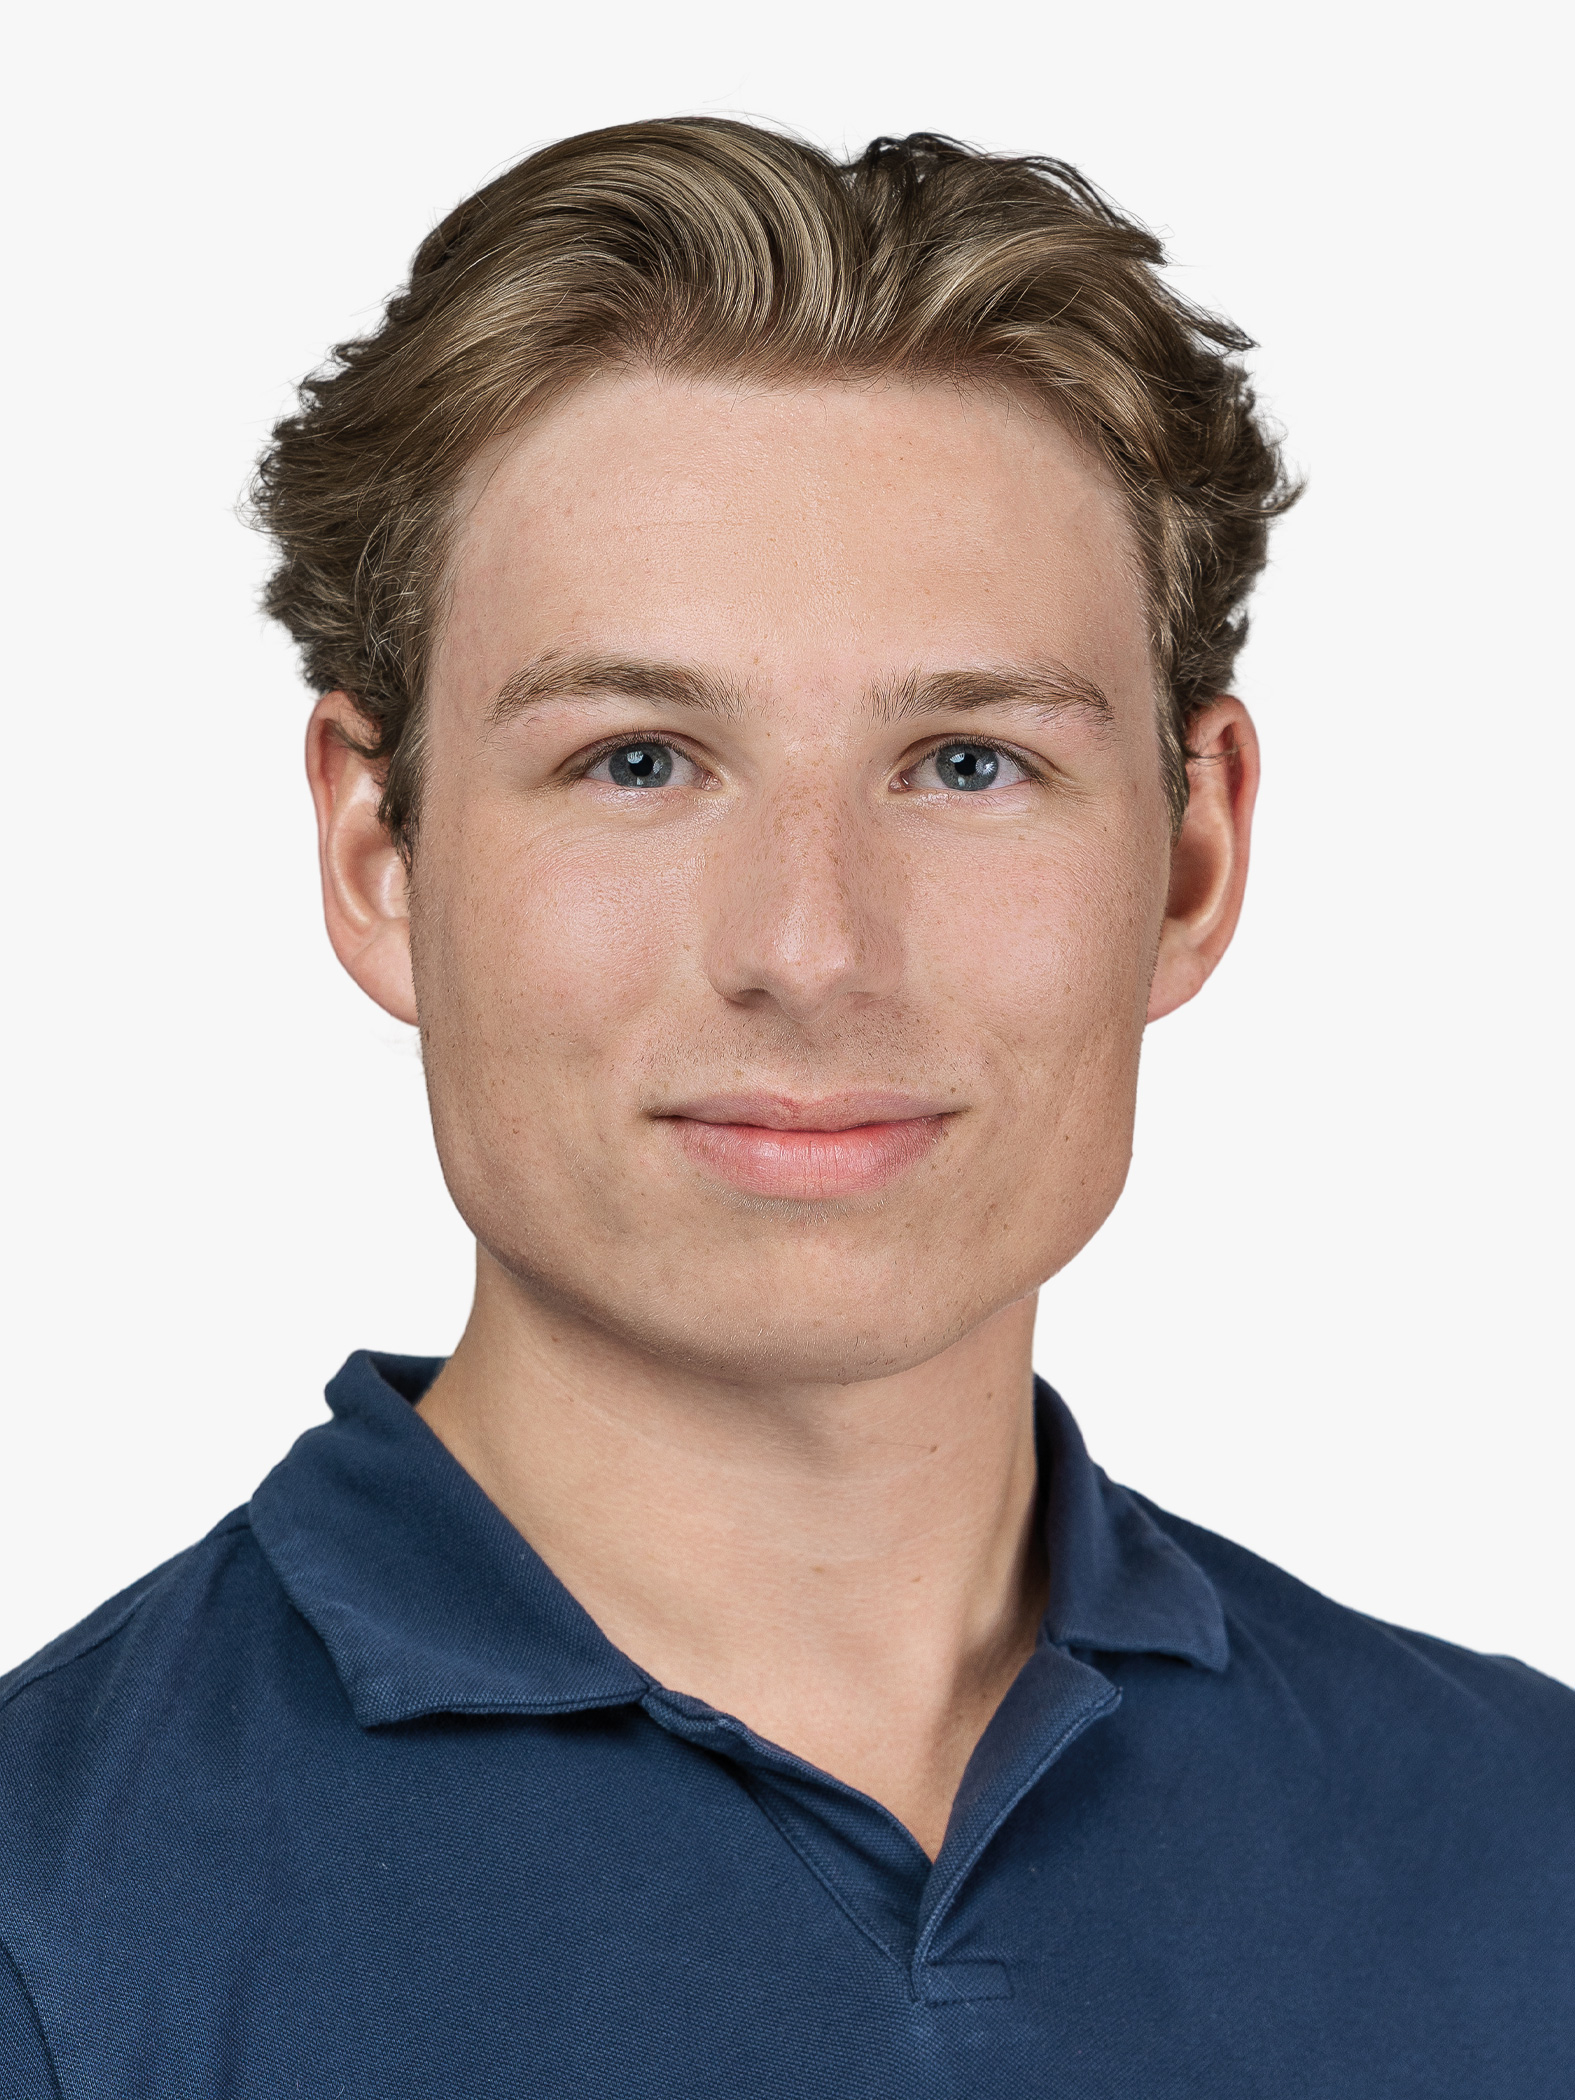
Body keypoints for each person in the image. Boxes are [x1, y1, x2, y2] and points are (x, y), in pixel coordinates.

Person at [1, 118, 1569, 2099]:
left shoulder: (1528, 1853)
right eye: (639, 759)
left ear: (1190, 858)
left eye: (969, 762)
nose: (810, 950)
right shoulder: (47, 1933)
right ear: (377, 853)